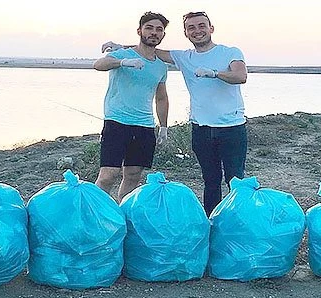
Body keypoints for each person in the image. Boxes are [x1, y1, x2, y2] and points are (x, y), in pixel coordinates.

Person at [102, 11, 248, 216]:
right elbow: (149, 48)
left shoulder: (230, 52)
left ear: (211, 28)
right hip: (201, 129)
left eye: (201, 26)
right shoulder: (184, 57)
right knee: (210, 180)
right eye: (191, 28)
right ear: (186, 33)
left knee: (236, 180)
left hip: (231, 127)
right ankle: (212, 222)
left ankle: (239, 223)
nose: (197, 31)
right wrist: (122, 49)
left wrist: (215, 74)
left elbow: (240, 76)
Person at [93, 11, 170, 202]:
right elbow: (99, 64)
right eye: (149, 28)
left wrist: (163, 127)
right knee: (108, 175)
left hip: (144, 126)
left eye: (159, 30)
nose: (154, 33)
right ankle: (95, 215)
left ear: (162, 35)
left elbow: (161, 98)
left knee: (134, 175)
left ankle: (123, 214)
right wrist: (122, 62)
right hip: (117, 122)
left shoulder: (161, 66)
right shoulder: (123, 54)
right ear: (140, 31)